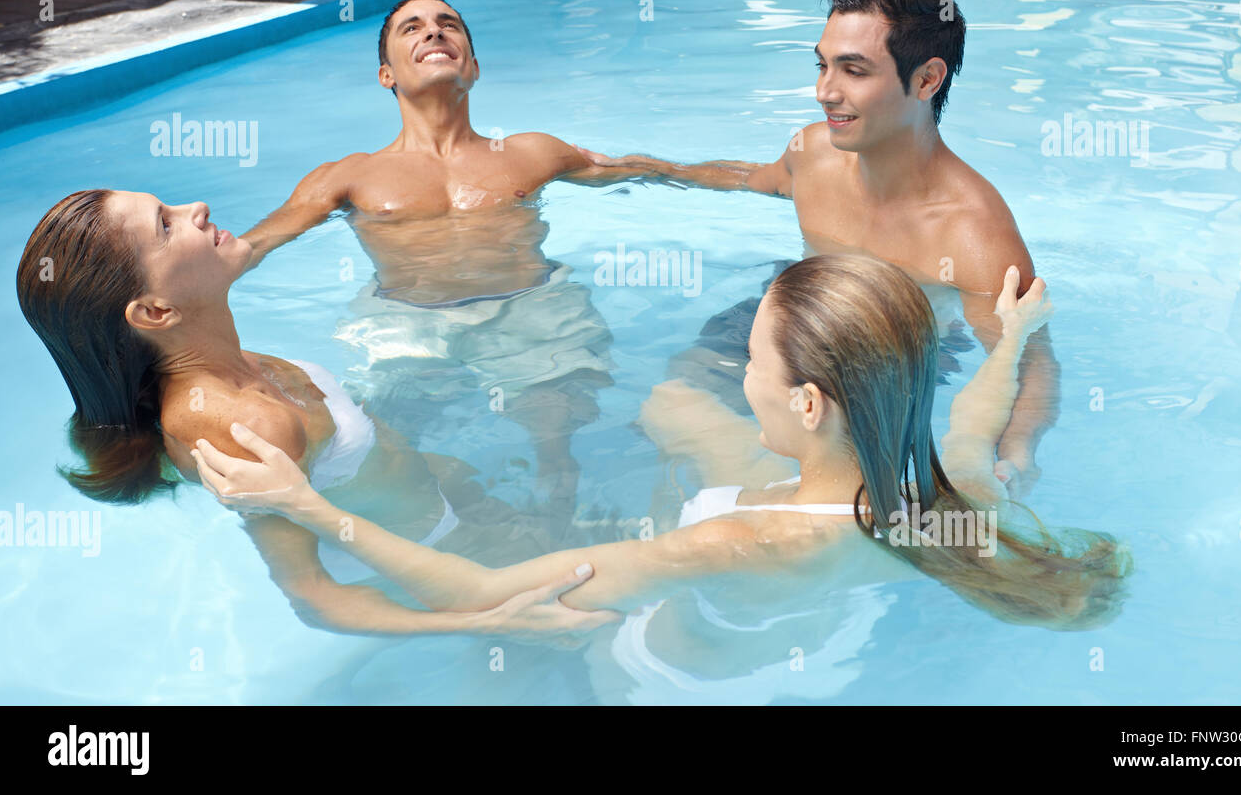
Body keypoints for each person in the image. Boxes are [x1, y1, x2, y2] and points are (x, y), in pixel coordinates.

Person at [191, 255, 1131, 637]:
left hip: (687, 672)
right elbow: (975, 415)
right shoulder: (950, 488)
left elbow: (481, 595)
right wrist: (1011, 340)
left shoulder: (737, 540)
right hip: (822, 601)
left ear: (806, 402)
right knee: (673, 411)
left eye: (752, 359)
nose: (745, 371)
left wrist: (311, 509)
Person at [16, 189, 620, 642]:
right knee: (614, 618)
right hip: (449, 557)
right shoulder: (234, 426)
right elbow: (312, 596)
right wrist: (486, 623)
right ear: (154, 311)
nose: (196, 206)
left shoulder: (227, 360)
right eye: (166, 225)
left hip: (449, 501)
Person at [578, 0, 1060, 494]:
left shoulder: (973, 236)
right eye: (822, 65)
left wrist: (1015, 456)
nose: (825, 91)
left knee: (805, 472)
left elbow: (1029, 362)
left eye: (853, 71)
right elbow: (750, 178)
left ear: (926, 79)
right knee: (663, 408)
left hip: (886, 351)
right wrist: (650, 169)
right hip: (789, 314)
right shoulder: (813, 154)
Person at [237, 0, 640, 533]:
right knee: (374, 444)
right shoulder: (348, 176)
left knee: (557, 449)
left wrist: (773, 176)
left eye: (447, 24)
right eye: (413, 28)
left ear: (472, 66)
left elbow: (648, 170)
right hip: (404, 318)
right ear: (387, 76)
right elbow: (252, 246)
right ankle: (428, 533)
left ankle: (558, 522)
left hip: (533, 308)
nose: (433, 32)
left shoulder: (532, 153)